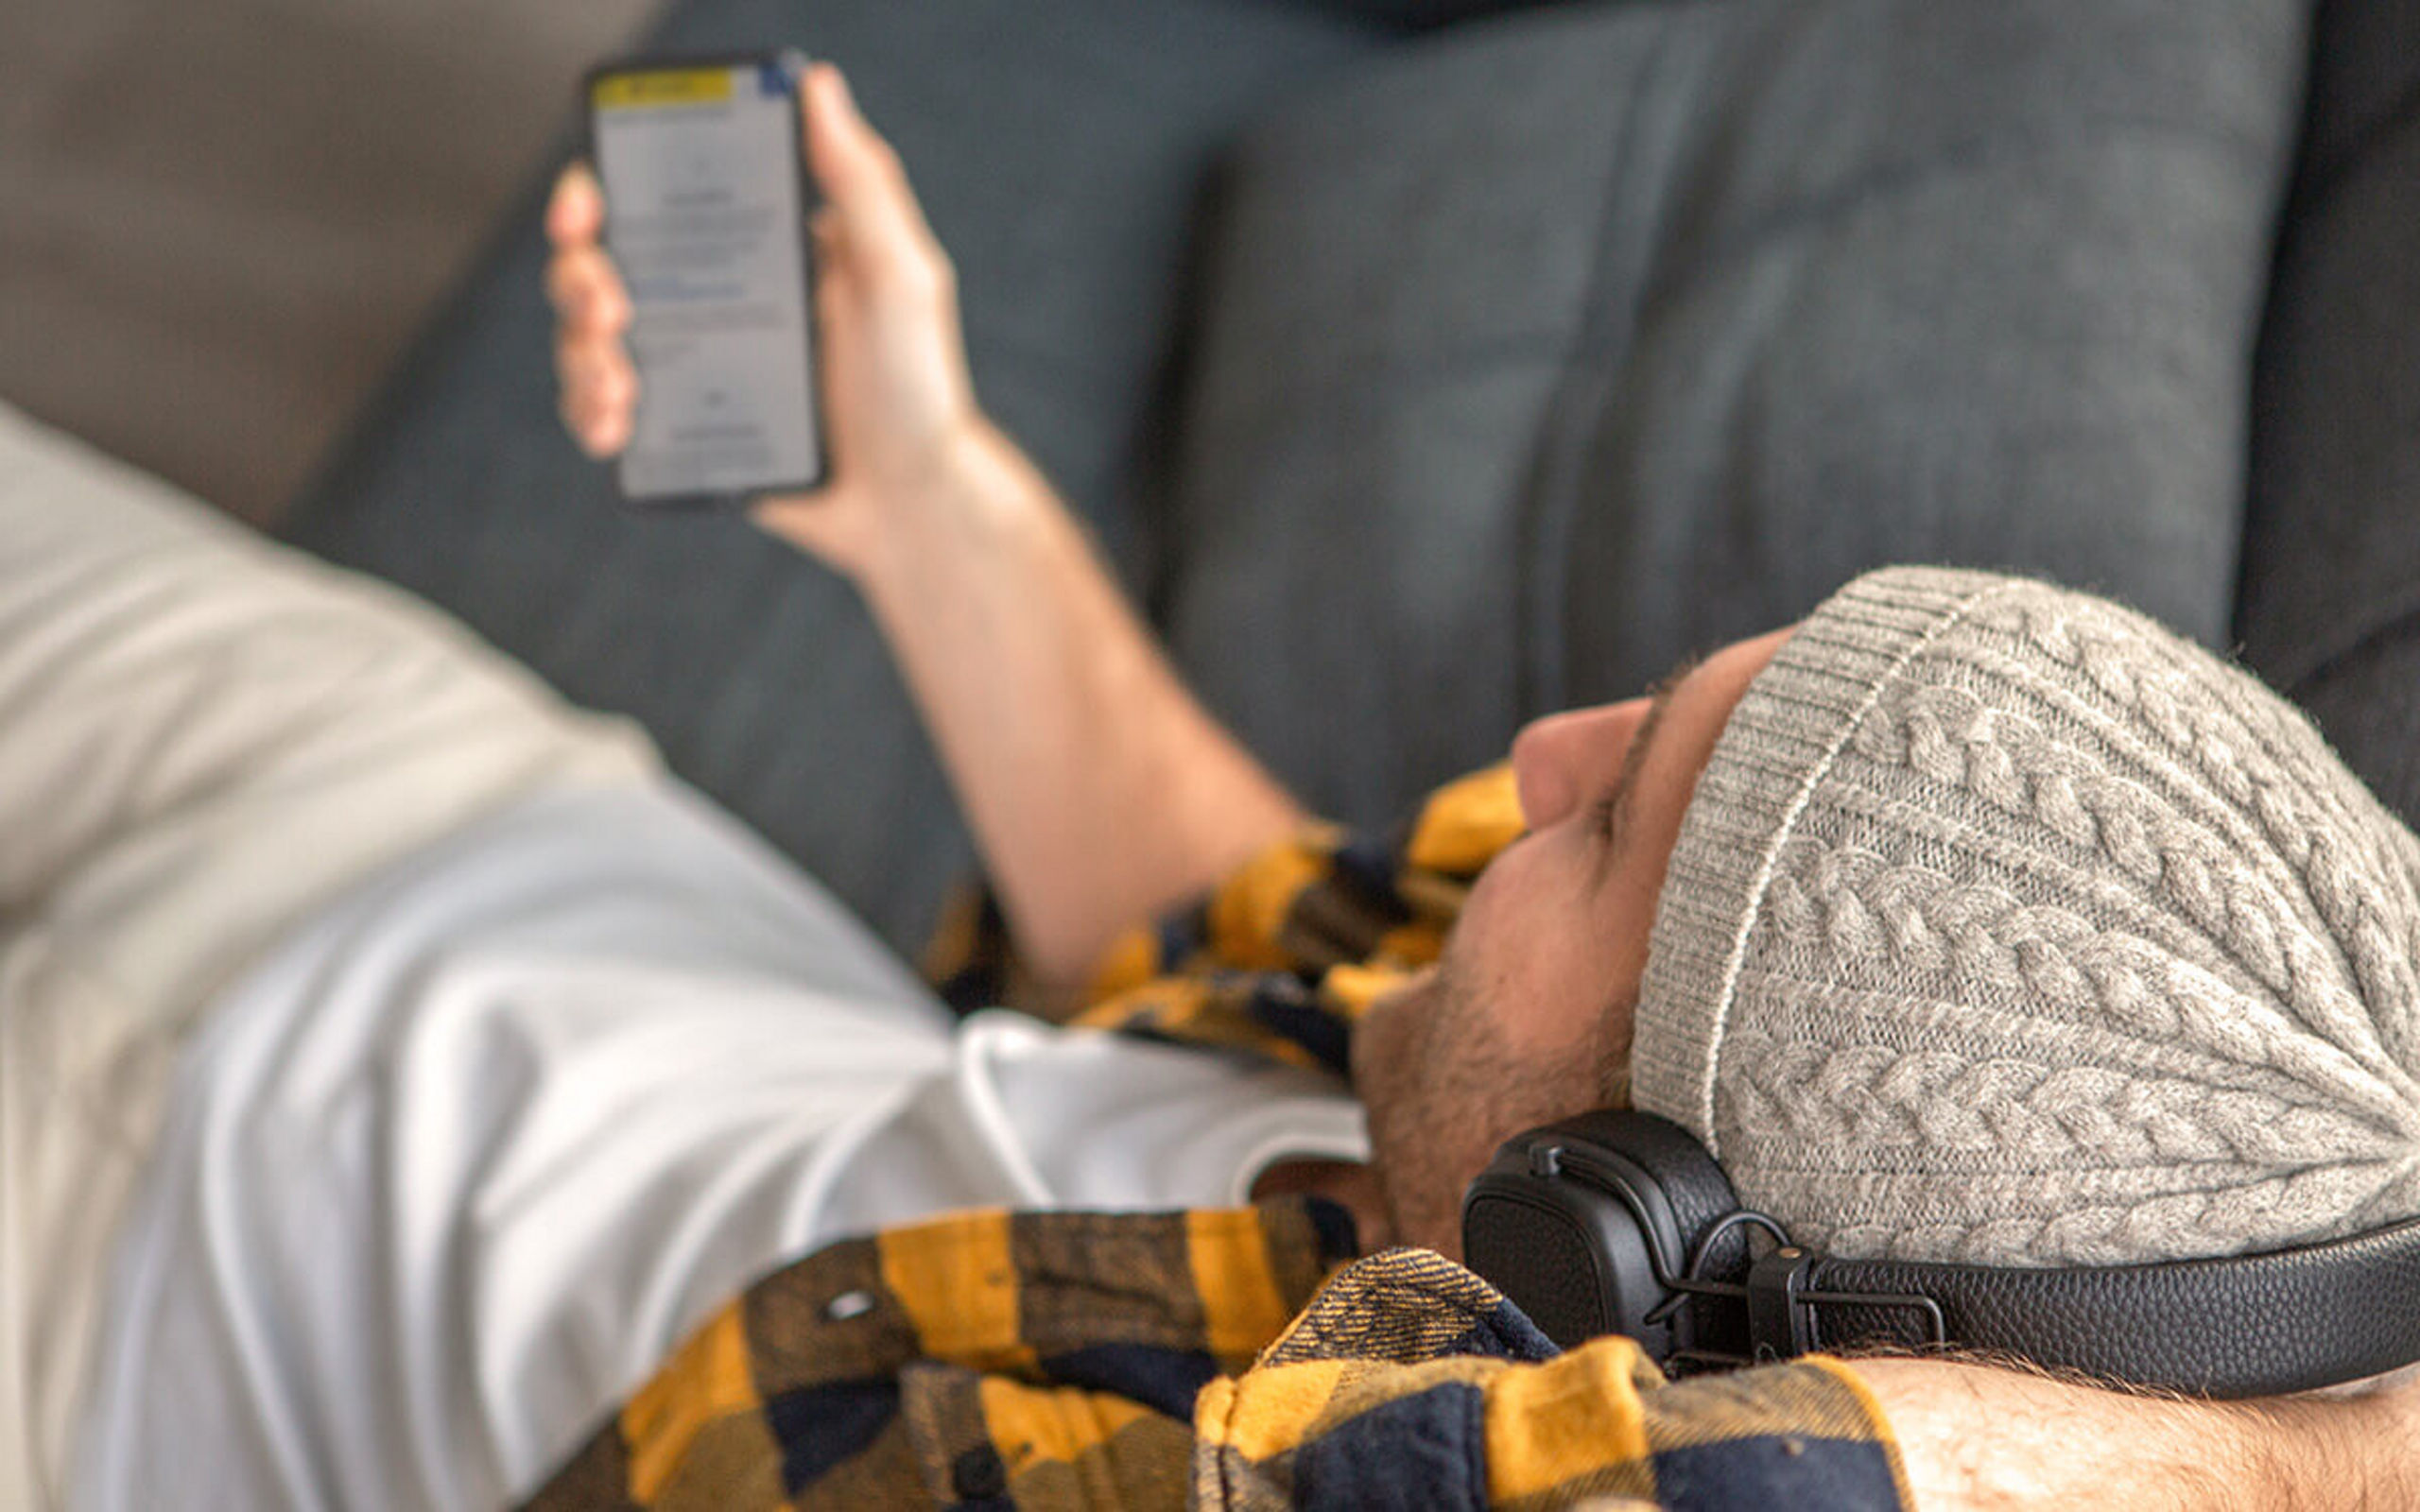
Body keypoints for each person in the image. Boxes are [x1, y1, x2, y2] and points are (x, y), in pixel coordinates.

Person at [4, 59, 2411, 1512]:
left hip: (106, 1309)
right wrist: (926, 490)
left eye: (1598, 824)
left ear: (1639, 1243)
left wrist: (2339, 1453)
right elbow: (1246, 909)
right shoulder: (1500, 1064)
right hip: (444, 831)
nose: (1528, 760)